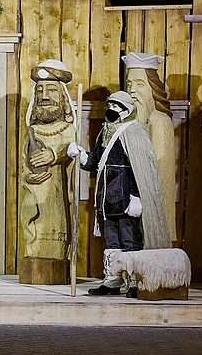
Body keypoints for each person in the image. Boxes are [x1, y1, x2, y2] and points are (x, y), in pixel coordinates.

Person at [67, 91, 171, 297]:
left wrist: (135, 196)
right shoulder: (104, 132)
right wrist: (80, 155)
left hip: (125, 197)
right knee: (112, 241)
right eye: (110, 106)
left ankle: (134, 282)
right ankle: (113, 280)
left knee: (130, 240)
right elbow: (97, 162)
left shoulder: (134, 132)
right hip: (107, 197)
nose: (111, 110)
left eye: (116, 107)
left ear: (126, 110)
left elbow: (140, 168)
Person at [20, 60, 76, 260]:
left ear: (62, 97)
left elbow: (70, 149)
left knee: (57, 233)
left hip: (57, 194)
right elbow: (24, 165)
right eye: (40, 91)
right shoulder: (31, 131)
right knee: (34, 233)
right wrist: (28, 178)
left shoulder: (67, 128)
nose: (44, 96)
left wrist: (54, 154)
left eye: (51, 90)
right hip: (35, 195)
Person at [123, 52, 177, 241]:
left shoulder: (159, 121)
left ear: (153, 89)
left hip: (151, 201)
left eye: (140, 84)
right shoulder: (129, 123)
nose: (132, 91)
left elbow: (160, 166)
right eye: (129, 84)